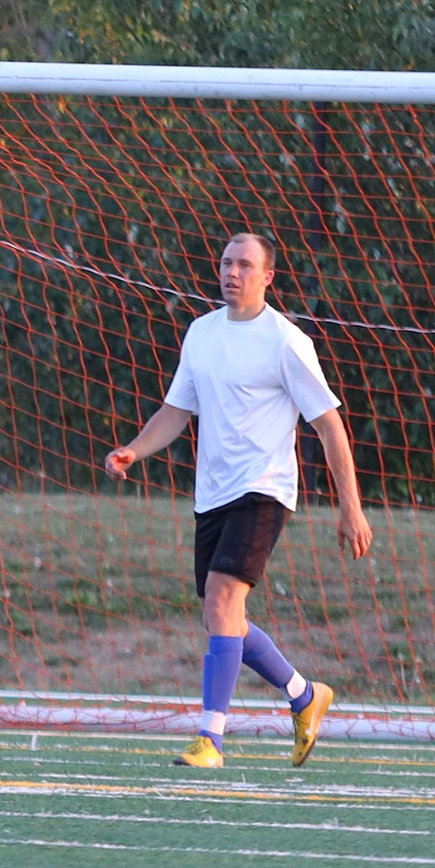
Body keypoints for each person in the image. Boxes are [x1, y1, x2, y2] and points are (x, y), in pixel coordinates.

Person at [105, 231, 370, 768]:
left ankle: (211, 739)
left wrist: (351, 506)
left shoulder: (286, 341)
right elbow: (176, 412)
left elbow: (329, 426)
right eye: (227, 263)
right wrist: (134, 449)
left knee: (224, 600)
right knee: (221, 615)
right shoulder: (201, 333)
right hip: (214, 495)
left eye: (245, 265)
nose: (232, 272)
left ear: (268, 277)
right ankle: (303, 695)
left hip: (265, 489)